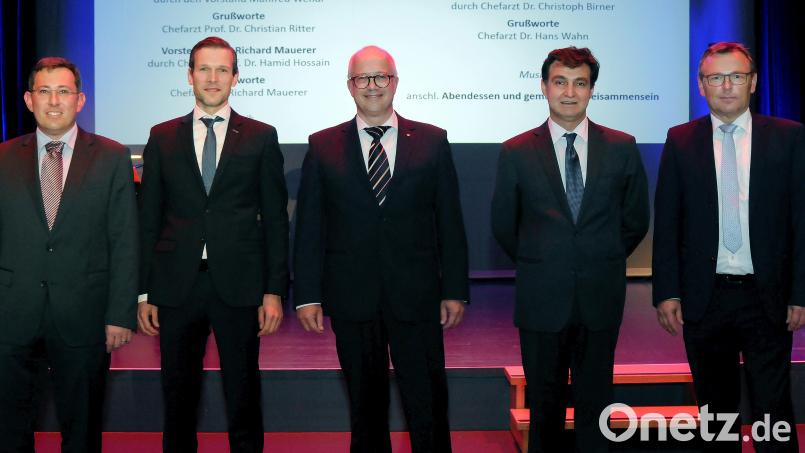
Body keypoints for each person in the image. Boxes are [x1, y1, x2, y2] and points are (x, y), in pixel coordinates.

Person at [293, 45, 469, 453]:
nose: (372, 86)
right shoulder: (321, 146)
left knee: (426, 403)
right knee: (365, 407)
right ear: (349, 86)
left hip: (418, 297)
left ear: (395, 82)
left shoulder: (432, 140)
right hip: (352, 298)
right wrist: (307, 297)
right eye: (362, 78)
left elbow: (450, 223)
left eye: (381, 77)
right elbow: (309, 230)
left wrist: (455, 288)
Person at [491, 47, 650, 452]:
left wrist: (597, 257)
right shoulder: (516, 151)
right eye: (560, 82)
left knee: (596, 409)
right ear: (544, 87)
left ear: (592, 90)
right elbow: (504, 227)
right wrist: (547, 261)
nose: (569, 92)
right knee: (544, 410)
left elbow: (635, 221)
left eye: (580, 83)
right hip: (542, 301)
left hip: (600, 298)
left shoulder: (621, 146)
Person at [137, 36, 289, 453]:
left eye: (222, 69)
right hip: (175, 287)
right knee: (178, 397)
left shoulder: (260, 136)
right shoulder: (162, 136)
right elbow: (148, 219)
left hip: (239, 286)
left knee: (243, 395)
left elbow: (276, 221)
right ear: (189, 76)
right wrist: (144, 289)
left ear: (236, 78)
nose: (212, 77)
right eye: (204, 69)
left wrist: (273, 290)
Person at [653, 41, 803, 452]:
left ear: (752, 82)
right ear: (701, 86)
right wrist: (666, 290)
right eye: (715, 77)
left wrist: (799, 292)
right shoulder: (681, 140)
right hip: (706, 297)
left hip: (766, 295)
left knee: (773, 411)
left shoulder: (789, 138)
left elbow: (800, 222)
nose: (726, 86)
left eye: (736, 76)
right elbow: (667, 222)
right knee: (715, 414)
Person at [0, 57, 138, 453]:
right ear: (29, 100)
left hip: (85, 315)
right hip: (11, 315)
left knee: (82, 428)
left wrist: (119, 314)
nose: (54, 101)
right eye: (44, 91)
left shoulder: (111, 158)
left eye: (64, 91)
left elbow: (124, 239)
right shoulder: (3, 158)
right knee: (9, 428)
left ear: (80, 100)